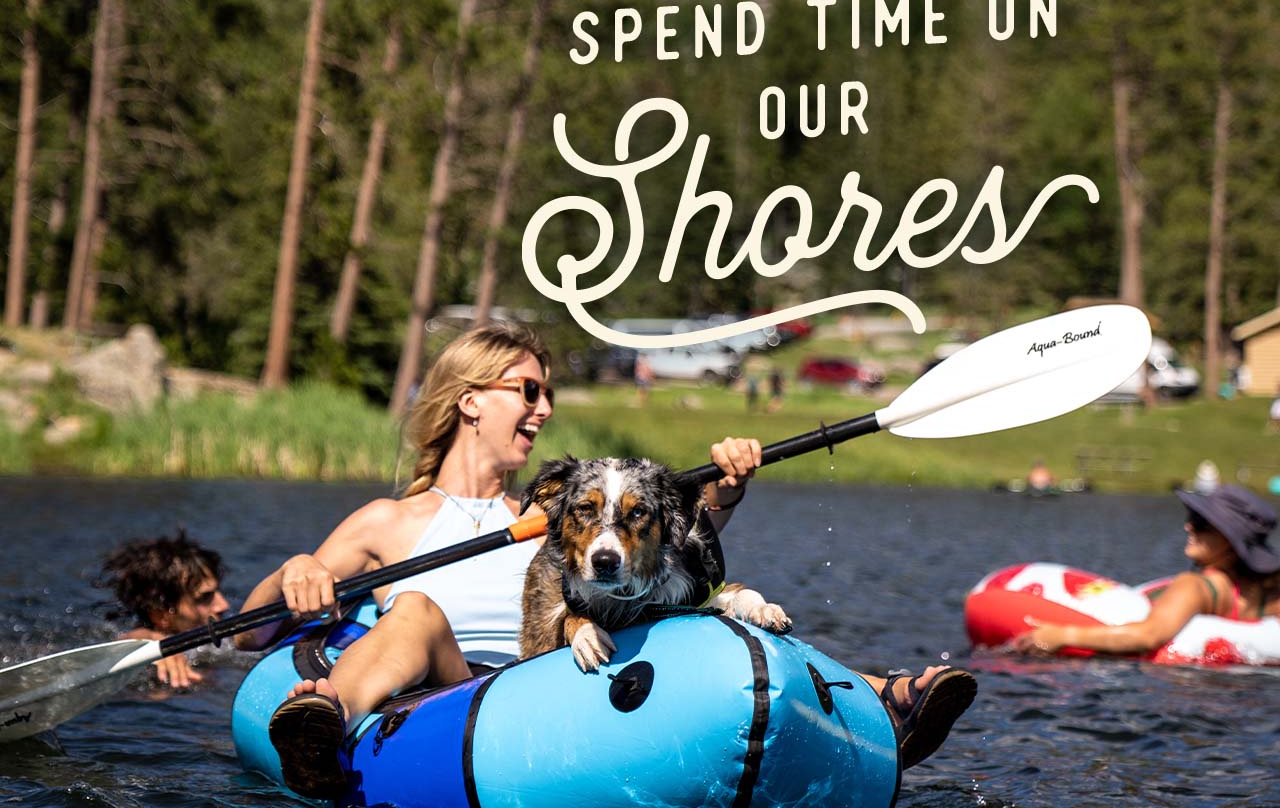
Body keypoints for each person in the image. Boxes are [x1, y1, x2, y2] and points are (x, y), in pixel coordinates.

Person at [240, 323, 974, 798]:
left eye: (549, 394)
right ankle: (323, 722)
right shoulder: (389, 521)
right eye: (527, 390)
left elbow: (665, 547)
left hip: (580, 665)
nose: (545, 408)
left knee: (719, 605)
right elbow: (248, 632)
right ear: (468, 402)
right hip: (457, 690)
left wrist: (725, 488)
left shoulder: (573, 509)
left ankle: (880, 700)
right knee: (416, 611)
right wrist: (296, 569)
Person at [1012, 485, 1280, 656]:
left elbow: (1148, 635)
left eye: (1199, 523)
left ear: (1228, 540)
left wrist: (1061, 635)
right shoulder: (1264, 593)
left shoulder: (1196, 586)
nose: (1188, 527)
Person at [98, 530, 230, 688]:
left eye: (217, 592)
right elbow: (125, 641)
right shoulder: (151, 667)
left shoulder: (225, 645)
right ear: (160, 614)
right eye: (203, 598)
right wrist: (150, 643)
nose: (224, 605)